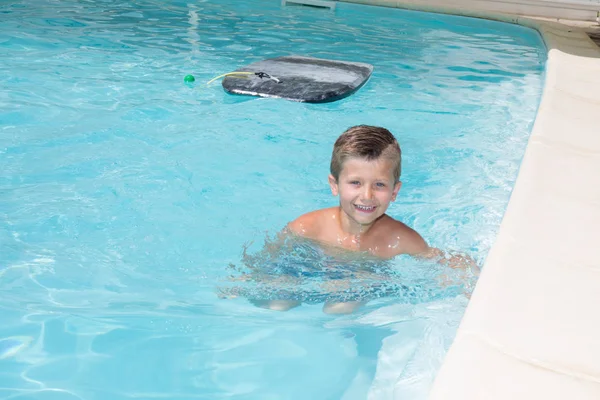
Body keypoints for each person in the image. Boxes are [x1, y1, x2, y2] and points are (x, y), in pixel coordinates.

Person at [228, 125, 478, 314]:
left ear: (395, 191)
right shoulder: (307, 227)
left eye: (379, 184)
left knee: (340, 308)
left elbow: (442, 261)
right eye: (355, 183)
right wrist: (244, 280)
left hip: (359, 277)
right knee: (279, 303)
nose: (366, 196)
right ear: (334, 184)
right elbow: (269, 257)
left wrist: (471, 281)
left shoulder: (398, 239)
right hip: (309, 266)